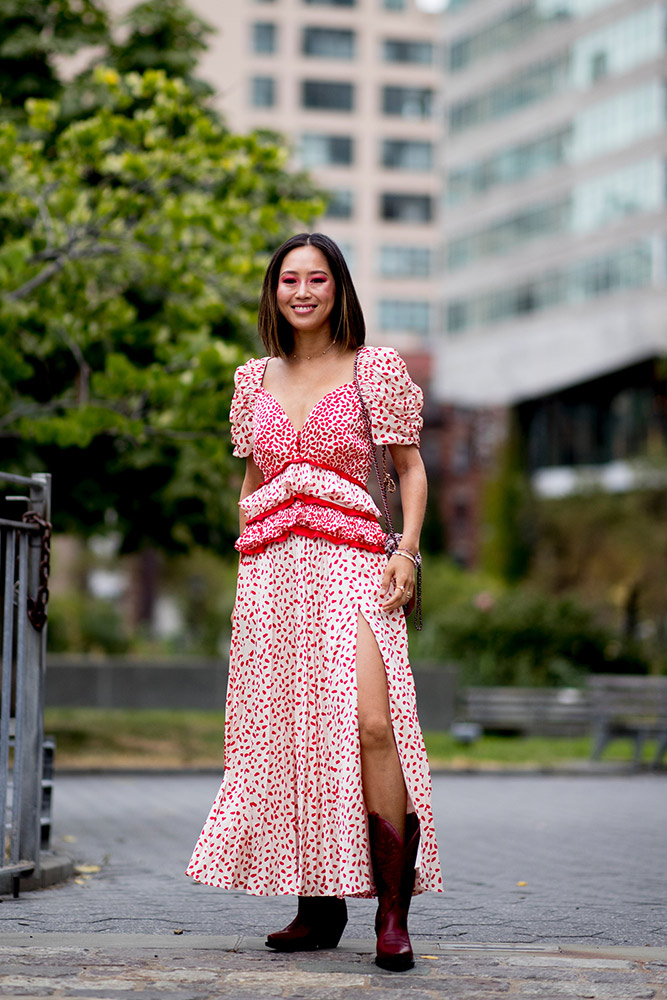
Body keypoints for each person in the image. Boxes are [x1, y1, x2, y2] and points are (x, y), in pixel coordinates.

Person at [186, 232, 443, 971]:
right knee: (293, 733)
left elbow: (411, 471)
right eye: (288, 280)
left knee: (371, 724)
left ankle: (391, 912)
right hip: (271, 574)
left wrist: (408, 552)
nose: (302, 292)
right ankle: (316, 906)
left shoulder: (374, 370)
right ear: (273, 292)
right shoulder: (251, 380)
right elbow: (250, 481)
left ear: (339, 290)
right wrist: (246, 551)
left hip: (355, 564)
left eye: (317, 280)